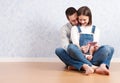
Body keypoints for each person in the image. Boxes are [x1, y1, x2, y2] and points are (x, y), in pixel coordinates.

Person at [67, 6, 114, 75]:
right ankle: (95, 67)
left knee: (110, 48)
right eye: (80, 19)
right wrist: (82, 50)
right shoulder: (75, 28)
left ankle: (84, 65)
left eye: (84, 19)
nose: (82, 22)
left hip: (93, 57)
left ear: (89, 18)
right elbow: (76, 45)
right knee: (71, 47)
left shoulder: (96, 29)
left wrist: (91, 53)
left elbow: (94, 45)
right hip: (81, 56)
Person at [55, 7, 95, 75]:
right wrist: (79, 51)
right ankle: (90, 66)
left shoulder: (84, 24)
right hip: (73, 54)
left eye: (77, 19)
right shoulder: (64, 29)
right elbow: (66, 47)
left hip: (87, 53)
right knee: (59, 50)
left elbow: (92, 40)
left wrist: (90, 48)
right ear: (68, 20)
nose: (77, 22)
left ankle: (76, 66)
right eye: (73, 20)